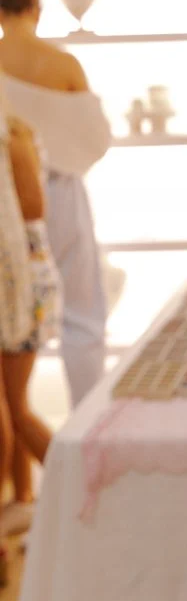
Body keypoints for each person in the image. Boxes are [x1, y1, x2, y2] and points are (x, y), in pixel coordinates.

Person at [0, 0, 111, 408]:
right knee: (82, 313)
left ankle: (15, 420)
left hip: (7, 203)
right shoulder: (63, 64)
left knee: (11, 316)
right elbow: (97, 140)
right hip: (62, 192)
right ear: (37, 10)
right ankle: (86, 419)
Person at [0, 107, 61, 544]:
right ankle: (22, 502)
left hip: (18, 280)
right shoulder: (18, 129)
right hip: (27, 275)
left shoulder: (12, 136)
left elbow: (32, 207)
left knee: (15, 410)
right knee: (13, 405)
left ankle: (75, 488)